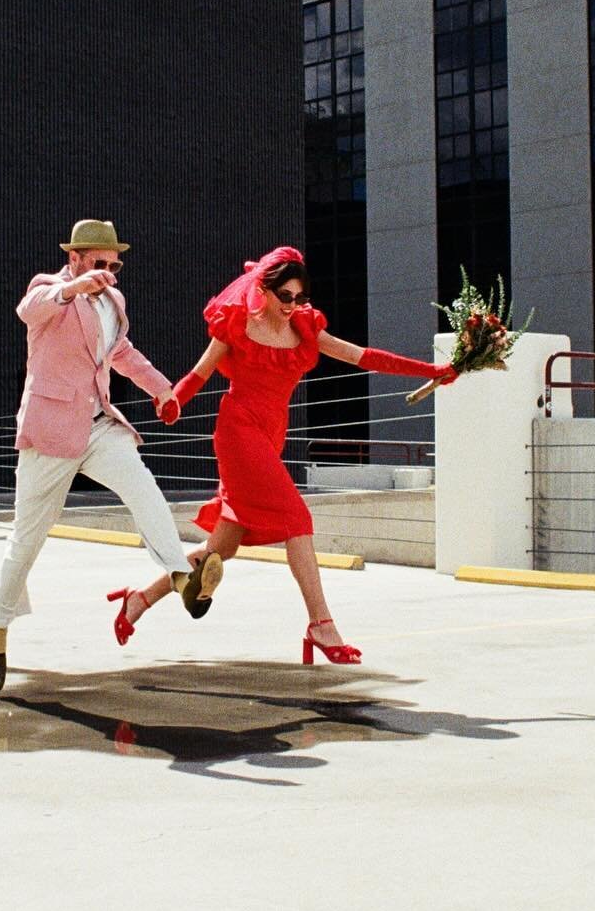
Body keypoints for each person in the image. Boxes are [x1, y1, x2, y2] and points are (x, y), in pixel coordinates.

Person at [120, 246, 456, 665]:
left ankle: (140, 600)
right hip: (238, 432)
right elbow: (199, 373)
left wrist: (433, 372)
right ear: (263, 290)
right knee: (298, 518)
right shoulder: (235, 325)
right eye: (286, 297)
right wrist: (172, 401)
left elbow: (363, 357)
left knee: (223, 546)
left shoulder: (305, 327)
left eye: (300, 298)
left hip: (270, 434)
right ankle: (321, 624)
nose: (293, 306)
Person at [0, 219, 224, 694]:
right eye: (100, 262)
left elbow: (122, 353)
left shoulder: (114, 302)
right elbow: (29, 311)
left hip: (98, 427)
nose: (110, 271)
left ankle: (180, 578)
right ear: (75, 257)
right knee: (26, 543)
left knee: (143, 486)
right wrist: (74, 286)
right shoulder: (50, 288)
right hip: (50, 434)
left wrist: (163, 391)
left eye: (115, 264)